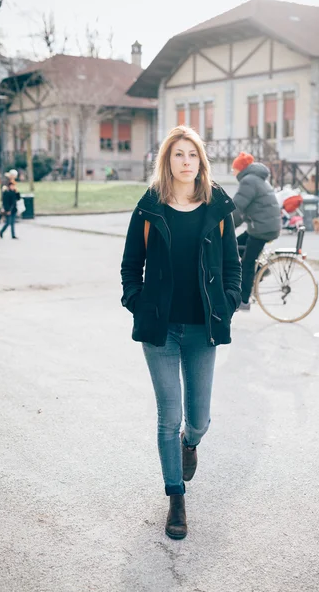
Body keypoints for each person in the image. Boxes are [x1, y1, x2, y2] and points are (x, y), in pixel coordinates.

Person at [121, 125, 242, 540]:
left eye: (192, 154)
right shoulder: (149, 208)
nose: (185, 161)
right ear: (167, 161)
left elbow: (232, 266)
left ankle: (190, 445)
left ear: (200, 162)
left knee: (200, 420)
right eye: (178, 154)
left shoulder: (218, 208)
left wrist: (226, 302)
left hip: (201, 331)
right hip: (160, 330)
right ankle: (176, 497)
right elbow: (129, 265)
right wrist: (137, 301)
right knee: (167, 418)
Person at [231, 152, 281, 310]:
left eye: (234, 168)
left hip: (261, 229)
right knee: (235, 246)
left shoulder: (249, 181)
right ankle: (260, 270)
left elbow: (237, 209)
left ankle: (244, 300)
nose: (233, 172)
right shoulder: (256, 179)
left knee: (247, 262)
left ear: (241, 169)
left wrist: (225, 227)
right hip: (265, 226)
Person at [0, 172, 20, 239]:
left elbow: (18, 198)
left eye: (13, 186)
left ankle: (13, 235)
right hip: (8, 209)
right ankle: (1, 231)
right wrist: (7, 210)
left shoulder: (14, 192)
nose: (13, 187)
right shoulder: (6, 192)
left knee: (13, 223)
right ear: (9, 186)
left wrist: (17, 192)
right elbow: (5, 202)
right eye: (12, 186)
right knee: (8, 223)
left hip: (13, 209)